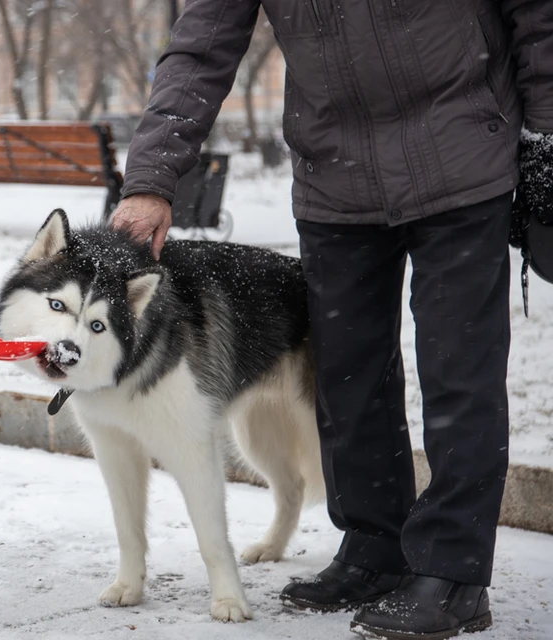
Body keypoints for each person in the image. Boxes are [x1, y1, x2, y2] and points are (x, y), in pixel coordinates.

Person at [110, 2, 552, 638]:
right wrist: (149, 180)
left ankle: (454, 572)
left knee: (460, 372)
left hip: (460, 148)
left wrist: (547, 134)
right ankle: (376, 548)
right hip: (336, 171)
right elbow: (201, 46)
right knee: (347, 376)